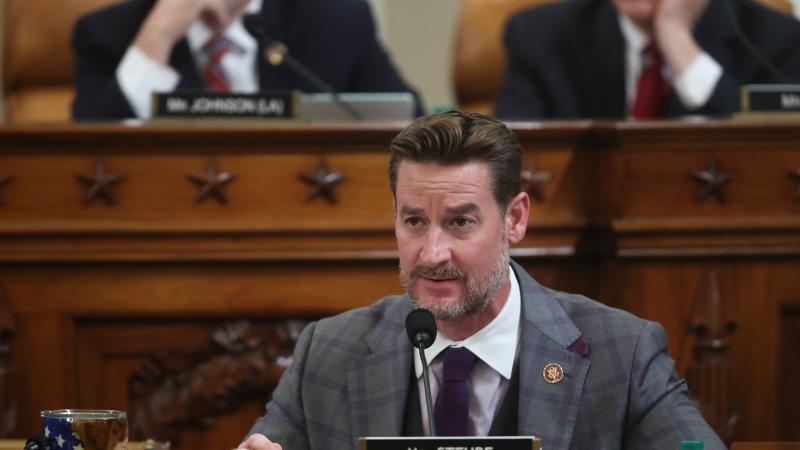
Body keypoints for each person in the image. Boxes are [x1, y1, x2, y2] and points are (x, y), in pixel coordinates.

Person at [233, 110, 725, 450]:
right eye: (414, 222)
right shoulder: (329, 351)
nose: (432, 253)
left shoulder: (622, 351)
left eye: (460, 222)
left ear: (515, 219)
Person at [71, 0, 421, 120]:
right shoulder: (108, 35)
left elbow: (412, 126)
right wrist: (158, 36)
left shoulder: (334, 20)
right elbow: (82, 166)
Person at [494, 0, 800, 120]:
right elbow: (505, 163)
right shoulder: (539, 37)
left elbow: (767, 161)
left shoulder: (776, 40)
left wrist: (677, 37)